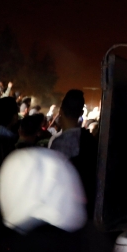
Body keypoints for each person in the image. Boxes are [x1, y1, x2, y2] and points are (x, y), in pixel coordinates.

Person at [49, 89, 98, 219]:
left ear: (60, 111)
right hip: (86, 209)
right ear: (81, 113)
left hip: (64, 211)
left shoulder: (59, 144)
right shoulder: (90, 140)